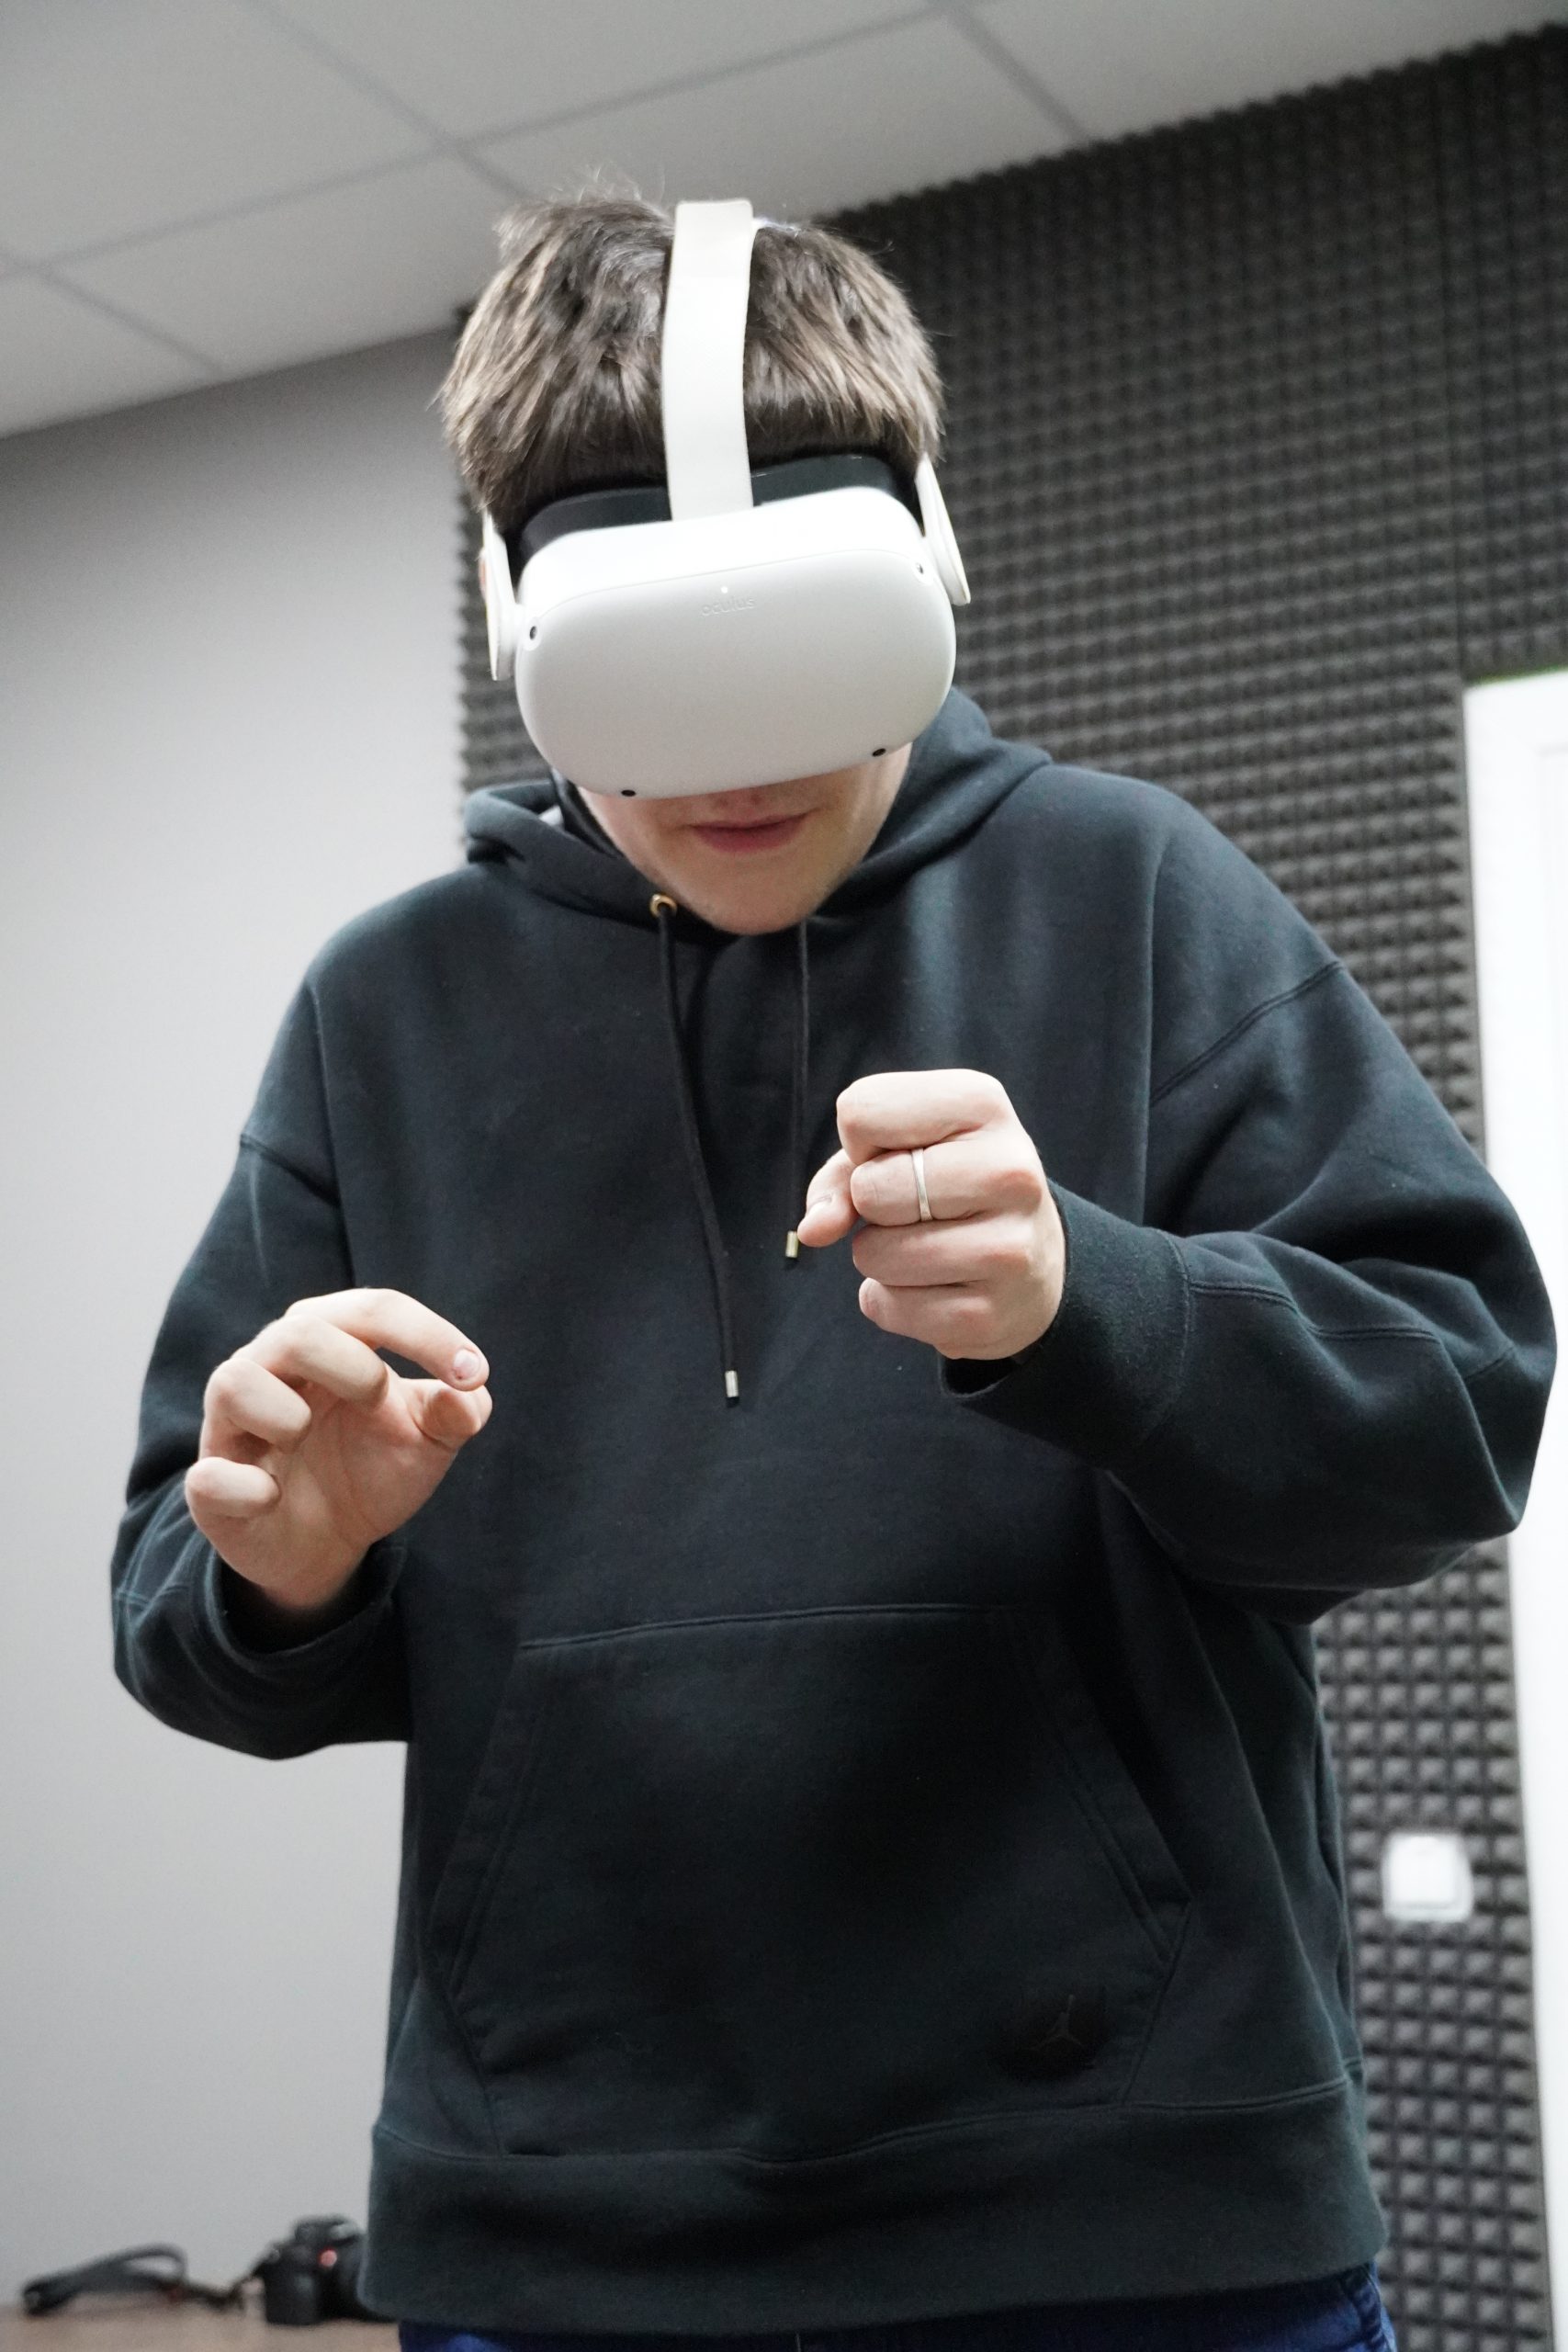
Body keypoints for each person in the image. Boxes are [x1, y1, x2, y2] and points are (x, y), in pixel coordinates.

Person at [109, 193, 1553, 2352]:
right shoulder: (383, 1011)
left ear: (921, 561)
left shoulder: (1134, 896)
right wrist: (286, 1567)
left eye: (791, 649)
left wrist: (1093, 1306)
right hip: (570, 2234)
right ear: (518, 614)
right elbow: (181, 1603)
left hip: (1135, 2223)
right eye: (649, 675)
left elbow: (1449, 1423)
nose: (733, 759)